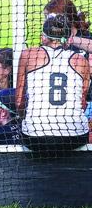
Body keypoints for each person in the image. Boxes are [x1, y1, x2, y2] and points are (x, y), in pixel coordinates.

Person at [16, 15, 90, 152]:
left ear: (44, 37)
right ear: (68, 39)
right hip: (74, 137)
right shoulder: (81, 61)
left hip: (35, 138)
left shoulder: (29, 54)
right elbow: (82, 103)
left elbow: (19, 103)